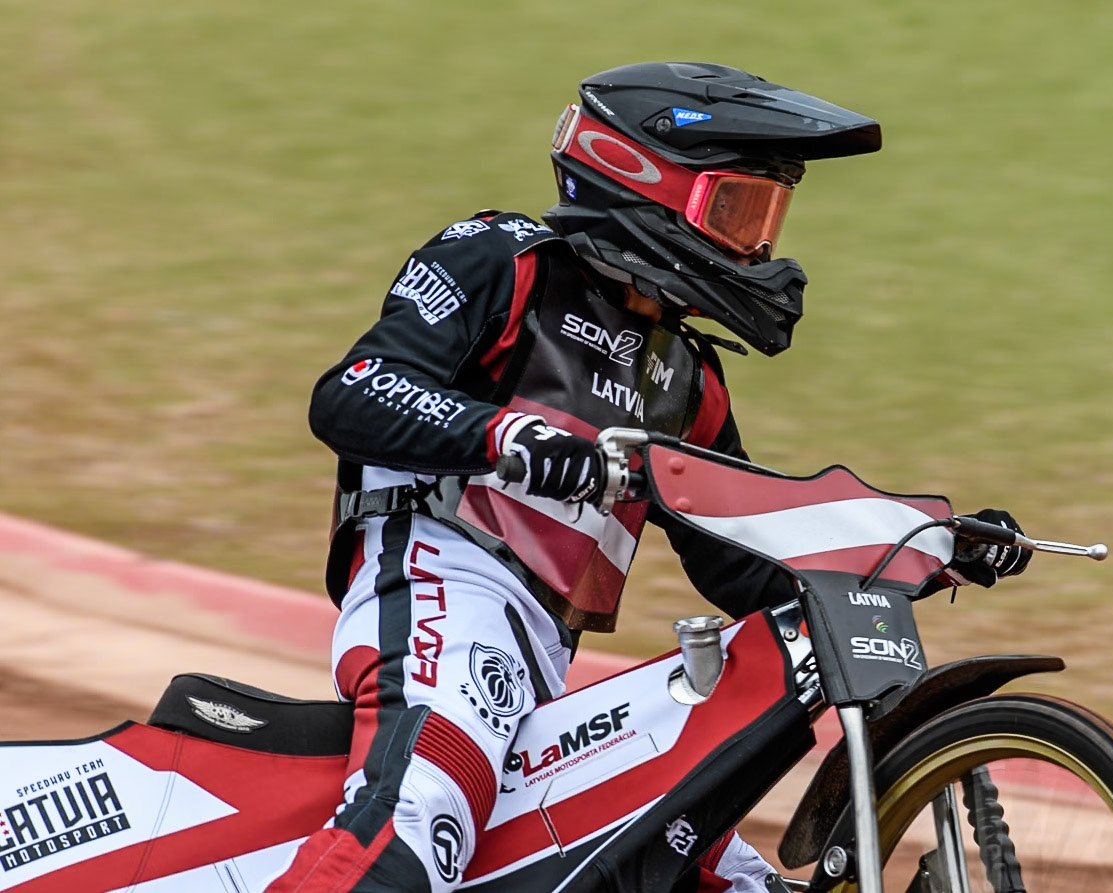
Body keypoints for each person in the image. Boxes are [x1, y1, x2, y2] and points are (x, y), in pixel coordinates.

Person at [265, 62, 1030, 893]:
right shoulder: (502, 259)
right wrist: (508, 436)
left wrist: (915, 553)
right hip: (438, 586)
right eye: (735, 211)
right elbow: (350, 393)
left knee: (708, 872)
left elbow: (739, 559)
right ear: (641, 179)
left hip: (542, 656)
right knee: (415, 823)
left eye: (767, 217)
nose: (759, 246)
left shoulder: (688, 378)